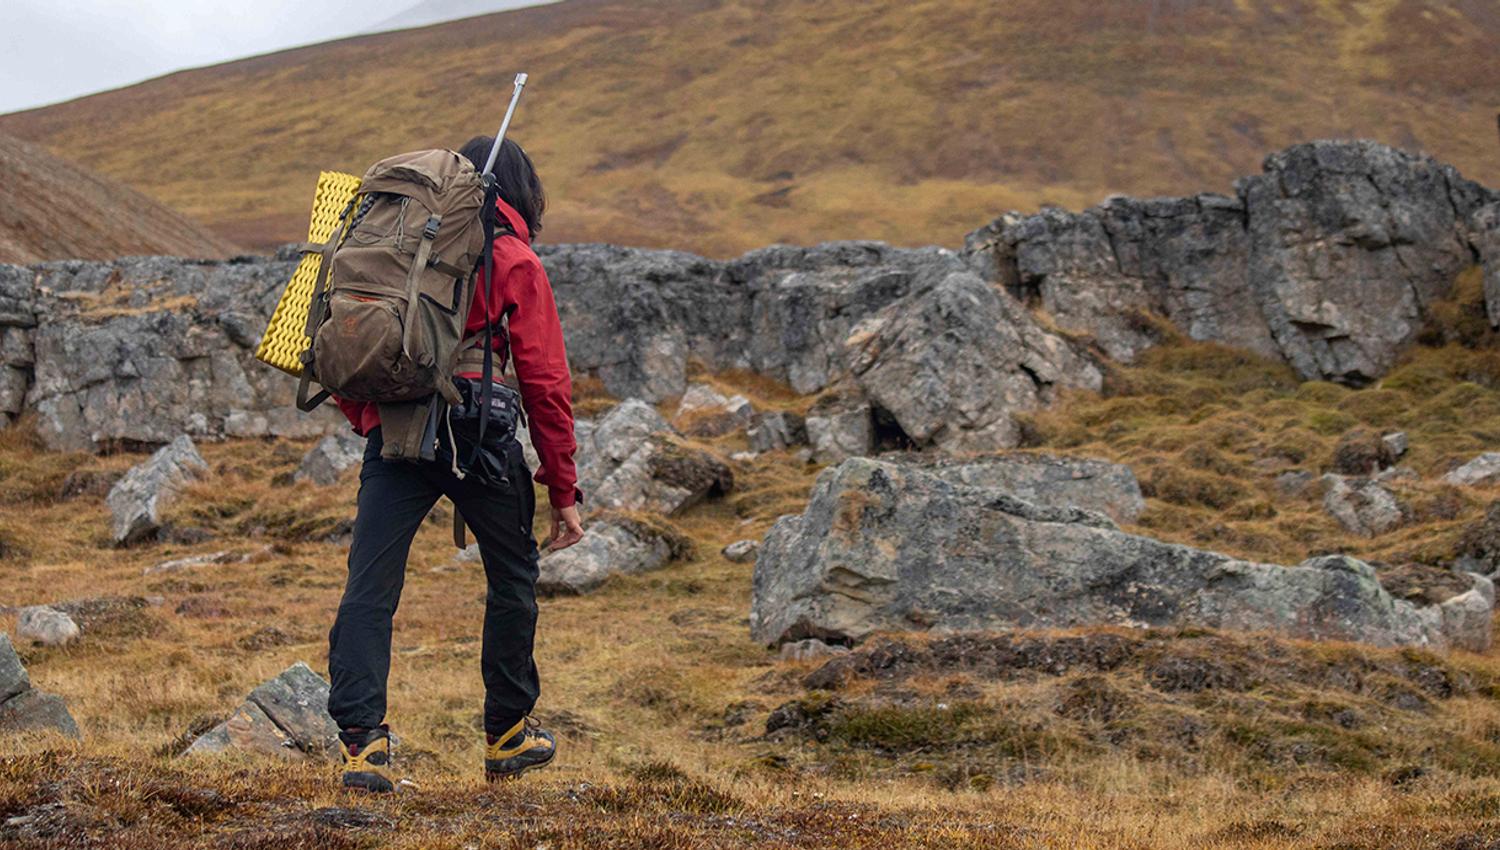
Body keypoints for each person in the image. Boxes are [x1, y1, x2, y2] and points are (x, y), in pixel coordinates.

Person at [324, 136, 585, 792]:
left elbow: (347, 344)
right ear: (522, 193)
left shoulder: (397, 247)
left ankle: (361, 749)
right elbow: (546, 381)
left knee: (370, 591)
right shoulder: (514, 258)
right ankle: (506, 734)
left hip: (396, 432)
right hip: (479, 436)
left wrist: (372, 422)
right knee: (512, 580)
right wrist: (562, 487)